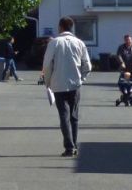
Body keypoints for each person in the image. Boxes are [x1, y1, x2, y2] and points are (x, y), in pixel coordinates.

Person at [42, 16, 92, 157]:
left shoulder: (54, 43)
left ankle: (69, 147)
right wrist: (82, 78)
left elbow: (46, 65)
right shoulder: (79, 43)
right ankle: (74, 144)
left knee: (64, 116)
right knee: (74, 116)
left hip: (58, 84)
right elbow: (87, 65)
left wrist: (48, 82)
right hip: (75, 84)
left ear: (60, 27)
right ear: (71, 27)